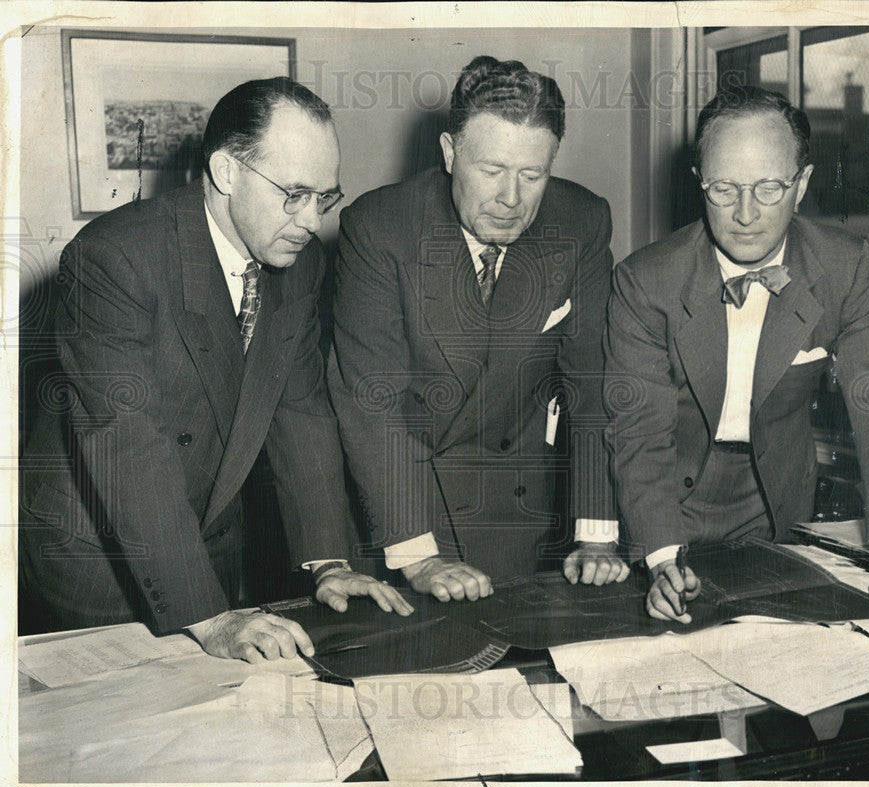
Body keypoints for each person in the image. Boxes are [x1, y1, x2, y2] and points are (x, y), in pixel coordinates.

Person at [19, 77, 412, 663]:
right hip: (100, 551)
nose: (310, 221)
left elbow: (300, 413)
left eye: (324, 197)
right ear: (227, 172)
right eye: (294, 193)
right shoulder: (113, 257)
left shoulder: (301, 267)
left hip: (204, 545)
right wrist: (209, 616)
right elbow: (126, 443)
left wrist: (329, 560)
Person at [604, 85, 869, 623]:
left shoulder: (845, 266)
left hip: (776, 500)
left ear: (803, 185)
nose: (745, 213)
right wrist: (661, 560)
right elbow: (641, 433)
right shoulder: (645, 281)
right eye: (724, 188)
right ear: (700, 183)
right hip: (664, 496)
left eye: (768, 188)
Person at [328, 56, 628, 603]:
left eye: (532, 174)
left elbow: (593, 381)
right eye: (491, 171)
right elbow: (375, 402)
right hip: (406, 511)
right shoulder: (380, 228)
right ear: (449, 154)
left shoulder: (582, 220)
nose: (511, 199)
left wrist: (596, 534)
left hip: (523, 516)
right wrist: (419, 557)